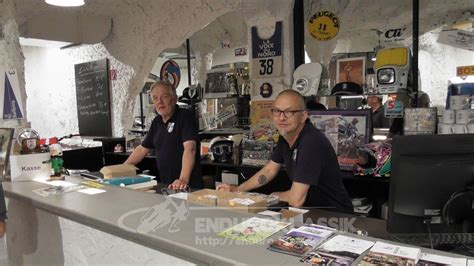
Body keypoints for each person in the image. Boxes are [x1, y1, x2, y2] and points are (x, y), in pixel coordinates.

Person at [217, 90, 353, 213]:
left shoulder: (310, 141)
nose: (281, 117)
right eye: (277, 111)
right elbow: (269, 170)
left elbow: (296, 200)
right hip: (311, 214)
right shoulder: (286, 136)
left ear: (304, 115)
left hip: (335, 217)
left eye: (289, 112)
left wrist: (273, 196)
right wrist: (238, 190)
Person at [125, 80, 203, 190]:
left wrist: (183, 179)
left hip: (188, 186)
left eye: (164, 97)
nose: (159, 102)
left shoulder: (185, 117)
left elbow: (190, 149)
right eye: (155, 98)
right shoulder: (157, 122)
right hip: (167, 184)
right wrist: (121, 168)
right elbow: (142, 149)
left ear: (175, 98)